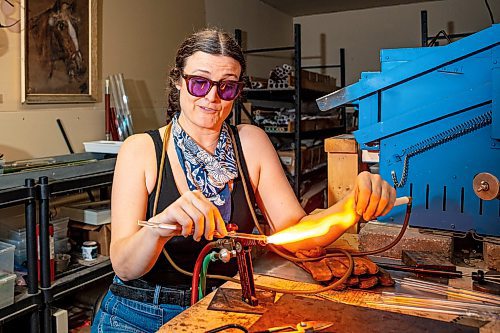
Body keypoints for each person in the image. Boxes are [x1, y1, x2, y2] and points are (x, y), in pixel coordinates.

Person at [91, 28, 396, 333]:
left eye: (226, 88)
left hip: (221, 304)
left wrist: (351, 207)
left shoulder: (251, 143)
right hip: (139, 312)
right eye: (199, 83)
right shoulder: (141, 150)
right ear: (177, 80)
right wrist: (160, 228)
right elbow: (124, 265)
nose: (212, 98)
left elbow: (296, 234)